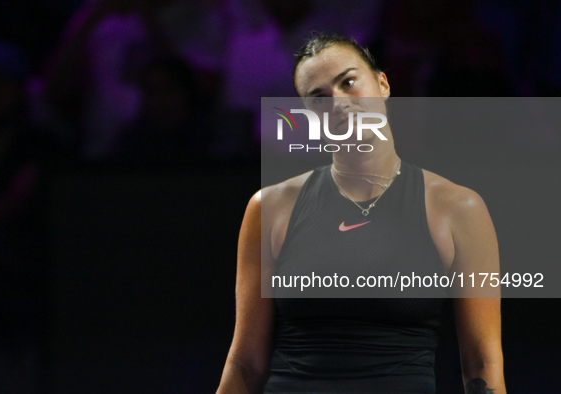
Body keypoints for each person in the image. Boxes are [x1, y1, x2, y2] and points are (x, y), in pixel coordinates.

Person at [216, 33, 505, 393]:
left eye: (348, 82)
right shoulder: (270, 208)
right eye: (318, 98)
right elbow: (245, 363)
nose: (337, 103)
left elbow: (482, 361)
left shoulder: (459, 208)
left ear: (382, 84)